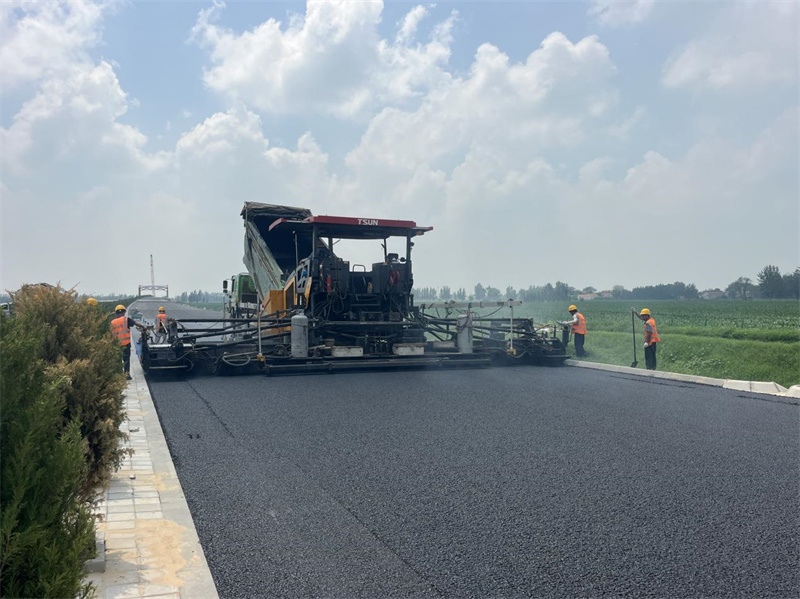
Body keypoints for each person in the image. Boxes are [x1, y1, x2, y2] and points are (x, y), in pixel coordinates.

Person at [110, 304, 143, 380]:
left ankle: (118, 375)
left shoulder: (112, 322)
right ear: (124, 312)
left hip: (116, 345)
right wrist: (143, 327)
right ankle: (127, 375)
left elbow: (110, 334)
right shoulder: (126, 320)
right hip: (126, 344)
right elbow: (136, 324)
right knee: (126, 360)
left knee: (118, 360)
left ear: (116, 313)